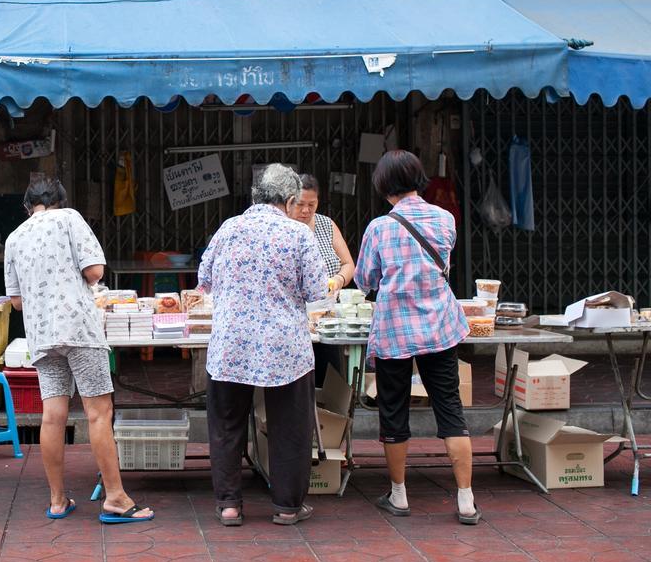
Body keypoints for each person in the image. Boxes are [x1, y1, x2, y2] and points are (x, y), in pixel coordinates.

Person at [4, 177, 154, 524]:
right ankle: (116, 498)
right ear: (59, 200)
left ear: (28, 206)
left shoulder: (15, 237)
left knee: (53, 415)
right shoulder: (70, 218)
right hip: (80, 330)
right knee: (98, 412)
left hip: (42, 335)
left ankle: (57, 500)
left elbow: (16, 302)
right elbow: (95, 271)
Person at [198, 164, 328, 527]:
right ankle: (287, 506)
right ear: (289, 200)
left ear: (255, 196)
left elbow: (203, 279)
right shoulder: (298, 234)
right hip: (284, 346)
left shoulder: (228, 229)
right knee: (290, 426)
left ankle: (229, 505)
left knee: (226, 424)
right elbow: (317, 293)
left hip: (230, 344)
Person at [354, 150, 477, 525]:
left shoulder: (379, 228)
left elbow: (365, 280)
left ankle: (400, 495)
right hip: (440, 326)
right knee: (451, 411)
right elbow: (443, 265)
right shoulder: (444, 219)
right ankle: (466, 500)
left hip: (395, 330)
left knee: (394, 412)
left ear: (383, 185)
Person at [290, 173, 357, 386]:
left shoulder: (326, 225)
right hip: (293, 319)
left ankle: (330, 417)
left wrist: (338, 279)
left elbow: (348, 264)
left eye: (312, 204)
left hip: (326, 317)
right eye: (300, 204)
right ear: (288, 201)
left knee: (329, 376)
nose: (306, 210)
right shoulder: (281, 228)